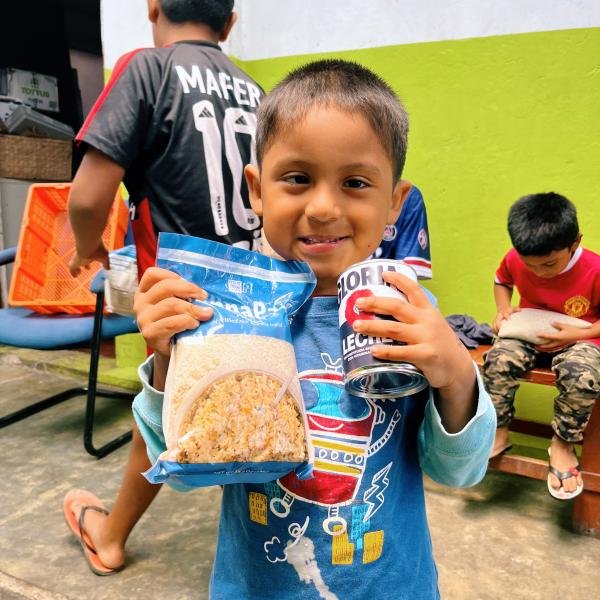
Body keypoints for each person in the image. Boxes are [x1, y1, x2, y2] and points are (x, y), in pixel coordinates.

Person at [132, 59, 496, 598]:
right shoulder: (229, 314)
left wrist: (457, 375)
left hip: (391, 584)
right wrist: (167, 359)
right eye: (298, 178)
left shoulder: (406, 317)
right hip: (254, 586)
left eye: (355, 182)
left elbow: (458, 473)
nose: (323, 208)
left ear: (394, 202)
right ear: (257, 190)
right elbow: (176, 457)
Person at [63, 0, 263, 575]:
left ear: (152, 6)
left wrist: (87, 248)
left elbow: (86, 198)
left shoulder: (145, 69)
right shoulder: (255, 88)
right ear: (229, 23)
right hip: (254, 287)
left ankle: (110, 535)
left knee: (159, 409)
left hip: (179, 293)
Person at [483, 192, 600, 500]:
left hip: (580, 338)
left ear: (575, 242)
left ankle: (563, 444)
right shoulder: (515, 258)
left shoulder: (595, 269)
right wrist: (503, 309)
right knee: (498, 358)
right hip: (532, 332)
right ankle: (499, 429)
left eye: (549, 264)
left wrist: (574, 336)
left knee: (582, 373)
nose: (539, 273)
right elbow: (501, 279)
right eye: (530, 265)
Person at [372, 183, 432, 279]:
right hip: (341, 286)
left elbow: (409, 277)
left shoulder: (408, 197)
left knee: (425, 294)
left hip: (389, 287)